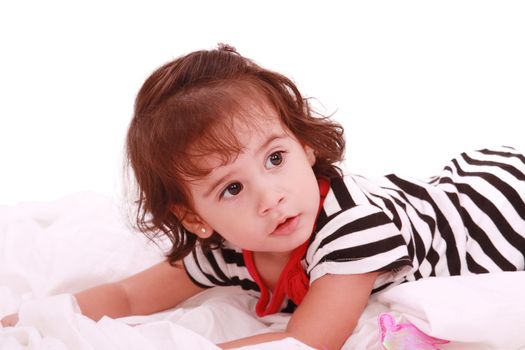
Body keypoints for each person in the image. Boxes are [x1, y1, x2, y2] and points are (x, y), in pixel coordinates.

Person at [2, 44, 525, 350]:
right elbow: (130, 297)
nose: (270, 197)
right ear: (196, 218)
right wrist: (26, 319)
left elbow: (307, 341)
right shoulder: (226, 246)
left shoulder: (352, 231)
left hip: (499, 209)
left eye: (275, 159)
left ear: (303, 144)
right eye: (231, 188)